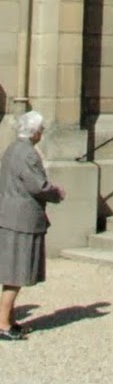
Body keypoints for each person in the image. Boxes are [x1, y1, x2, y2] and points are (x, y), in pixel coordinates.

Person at [0, 111, 65, 340]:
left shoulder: (12, 148)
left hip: (10, 213)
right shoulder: (27, 153)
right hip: (20, 218)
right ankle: (3, 324)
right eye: (41, 129)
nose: (42, 133)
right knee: (16, 273)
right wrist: (56, 192)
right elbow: (37, 185)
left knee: (13, 272)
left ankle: (8, 319)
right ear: (35, 131)